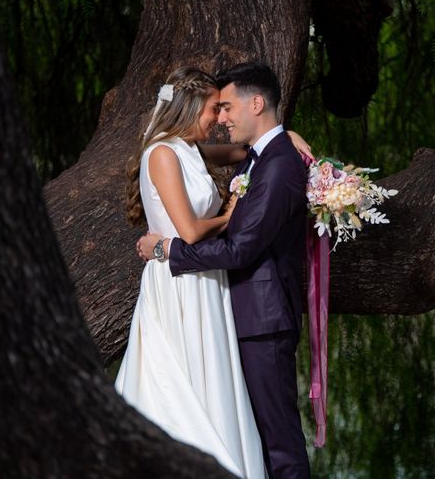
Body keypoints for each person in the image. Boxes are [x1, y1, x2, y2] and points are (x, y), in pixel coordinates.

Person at [118, 66, 311, 478]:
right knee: (187, 388)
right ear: (189, 110)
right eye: (212, 109)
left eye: (223, 107)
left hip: (219, 291)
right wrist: (227, 216)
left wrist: (286, 136)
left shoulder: (199, 149)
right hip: (183, 287)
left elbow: (246, 153)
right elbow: (190, 230)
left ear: (255, 104)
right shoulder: (167, 152)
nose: (219, 119)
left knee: (249, 414)